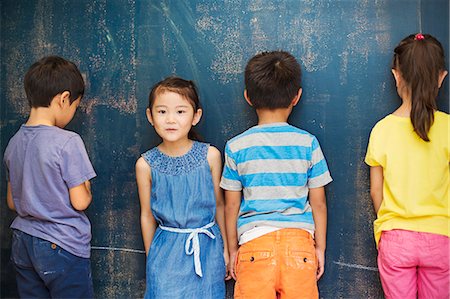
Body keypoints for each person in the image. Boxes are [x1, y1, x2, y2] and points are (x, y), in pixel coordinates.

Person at [221, 50, 332, 299]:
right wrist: (320, 248)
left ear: (248, 97)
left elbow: (231, 206)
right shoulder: (308, 144)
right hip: (299, 248)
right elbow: (319, 203)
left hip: (253, 246)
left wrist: (231, 250)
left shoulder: (236, 147)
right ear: (297, 97)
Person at [3, 56, 96, 298]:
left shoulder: (13, 143)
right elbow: (80, 201)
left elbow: (12, 202)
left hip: (23, 241)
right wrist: (86, 185)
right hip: (62, 244)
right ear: (64, 99)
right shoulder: (68, 141)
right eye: (75, 107)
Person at [365, 33, 449, 299]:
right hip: (441, 238)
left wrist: (389, 225)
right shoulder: (448, 127)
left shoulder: (381, 130)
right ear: (440, 77)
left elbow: (375, 192)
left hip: (396, 239)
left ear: (396, 76)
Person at [136, 76, 230, 299]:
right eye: (162, 112)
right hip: (165, 253)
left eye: (180, 112)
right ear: (150, 115)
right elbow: (147, 215)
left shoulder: (211, 156)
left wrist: (226, 249)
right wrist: (152, 258)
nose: (171, 119)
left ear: (195, 116)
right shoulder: (145, 164)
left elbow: (220, 205)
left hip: (207, 249)